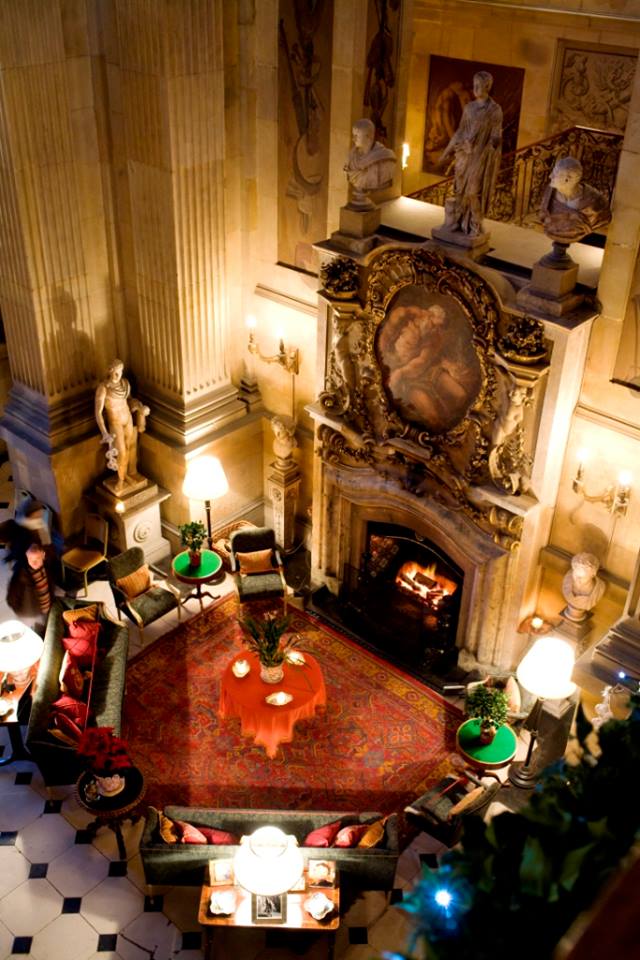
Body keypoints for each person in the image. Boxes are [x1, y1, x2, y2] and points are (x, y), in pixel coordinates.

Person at [439, 71, 503, 236]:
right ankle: (458, 221)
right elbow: (460, 131)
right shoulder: (469, 108)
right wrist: (446, 152)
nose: (474, 88)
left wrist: (489, 144)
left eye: (479, 85)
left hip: (480, 156)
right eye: (474, 84)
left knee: (473, 192)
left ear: (487, 86)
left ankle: (476, 223)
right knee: (460, 191)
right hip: (464, 156)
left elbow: (496, 136)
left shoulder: (495, 110)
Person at [95, 359, 150, 495]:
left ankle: (125, 475)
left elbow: (129, 400)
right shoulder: (103, 388)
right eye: (115, 372)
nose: (118, 375)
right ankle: (120, 480)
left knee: (129, 448)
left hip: (128, 419)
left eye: (120, 372)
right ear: (110, 371)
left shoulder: (125, 383)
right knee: (122, 452)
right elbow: (98, 412)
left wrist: (139, 406)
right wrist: (104, 432)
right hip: (115, 423)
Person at [1, 500, 56, 621]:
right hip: (26, 571)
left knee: (42, 598)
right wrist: (29, 556)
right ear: (27, 514)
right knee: (29, 599)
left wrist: (43, 553)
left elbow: (49, 548)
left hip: (40, 571)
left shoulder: (40, 527)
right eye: (35, 514)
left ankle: (43, 618)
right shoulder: (16, 527)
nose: (38, 517)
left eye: (40, 514)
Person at [538, 156, 611, 245]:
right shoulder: (550, 192)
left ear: (567, 180)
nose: (550, 176)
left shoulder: (595, 202)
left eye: (555, 174)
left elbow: (604, 218)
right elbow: (543, 214)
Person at [344, 118, 396, 206]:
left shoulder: (384, 158)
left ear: (368, 137)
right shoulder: (351, 155)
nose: (353, 139)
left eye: (357, 136)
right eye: (353, 135)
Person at [562, 552, 605, 622]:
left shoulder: (598, 590)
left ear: (592, 575)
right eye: (576, 575)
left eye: (582, 577)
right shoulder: (568, 579)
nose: (577, 579)